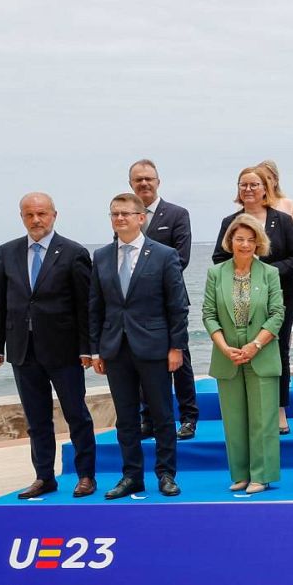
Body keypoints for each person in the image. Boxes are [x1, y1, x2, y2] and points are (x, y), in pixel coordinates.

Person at [0, 192, 96, 499]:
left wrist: (87, 348)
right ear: (22, 217)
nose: (36, 220)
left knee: (76, 415)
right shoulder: (8, 251)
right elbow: (1, 300)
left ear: (54, 215)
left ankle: (86, 475)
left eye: (42, 214)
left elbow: (85, 306)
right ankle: (44, 477)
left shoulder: (74, 252)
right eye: (29, 215)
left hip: (64, 350)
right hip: (23, 349)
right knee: (36, 419)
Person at [90, 193, 187, 499]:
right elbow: (96, 305)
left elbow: (177, 306)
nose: (120, 218)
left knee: (161, 414)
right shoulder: (101, 256)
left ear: (141, 218)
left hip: (155, 347)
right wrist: (96, 349)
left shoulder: (164, 255)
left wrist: (177, 347)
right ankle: (131, 476)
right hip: (115, 348)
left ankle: (166, 473)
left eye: (126, 213)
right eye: (114, 214)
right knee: (126, 417)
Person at [212, 166, 293, 435]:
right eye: (244, 184)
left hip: (279, 295)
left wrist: (267, 273)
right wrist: (245, 271)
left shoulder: (282, 220)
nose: (248, 189)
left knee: (279, 350)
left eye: (254, 184)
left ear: (266, 188)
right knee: (242, 348)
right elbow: (219, 257)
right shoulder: (230, 221)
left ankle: (279, 409)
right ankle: (248, 410)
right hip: (238, 298)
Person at [201, 214, 284, 494]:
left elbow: (277, 314)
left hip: (261, 353)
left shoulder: (269, 273)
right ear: (230, 241)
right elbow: (209, 314)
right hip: (228, 356)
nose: (245, 244)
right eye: (239, 239)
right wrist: (224, 347)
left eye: (250, 239)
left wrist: (255, 345)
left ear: (258, 243)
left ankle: (262, 475)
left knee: (263, 420)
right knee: (234, 420)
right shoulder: (216, 273)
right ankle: (240, 475)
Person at [128, 159, 199, 439]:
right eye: (138, 179)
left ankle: (189, 417)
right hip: (137, 305)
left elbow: (181, 258)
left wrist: (145, 280)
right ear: (131, 184)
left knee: (180, 360)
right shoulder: (127, 216)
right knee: (143, 362)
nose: (144, 183)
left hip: (170, 301)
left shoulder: (177, 214)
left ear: (158, 181)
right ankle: (148, 418)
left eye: (149, 178)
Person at [255, 160, 293, 232]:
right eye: (261, 178)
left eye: (268, 178)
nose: (265, 182)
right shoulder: (248, 206)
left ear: (275, 181)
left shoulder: (289, 205)